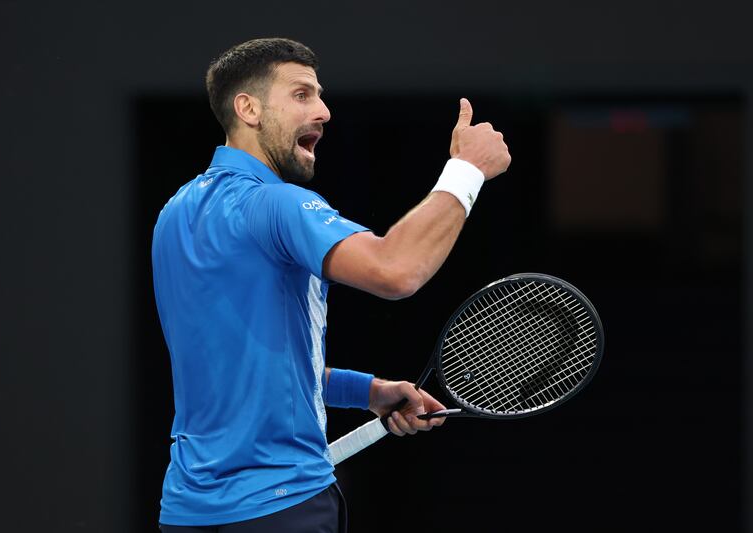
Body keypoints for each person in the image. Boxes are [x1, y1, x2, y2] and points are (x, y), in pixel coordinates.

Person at [152, 37, 510, 532]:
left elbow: (247, 368)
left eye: (319, 95)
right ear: (248, 108)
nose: (323, 111)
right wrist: (467, 171)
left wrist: (369, 391)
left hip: (188, 513)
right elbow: (396, 270)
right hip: (281, 509)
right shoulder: (276, 205)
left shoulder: (176, 213)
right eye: (301, 95)